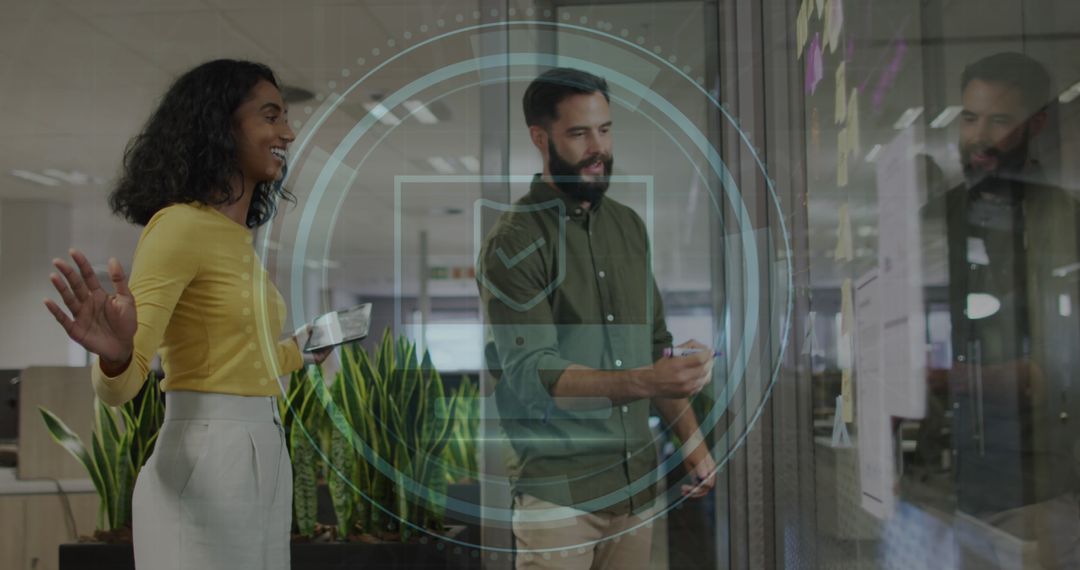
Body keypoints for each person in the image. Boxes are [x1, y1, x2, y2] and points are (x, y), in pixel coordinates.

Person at [43, 59, 328, 570]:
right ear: (221, 127)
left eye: (286, 117)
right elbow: (121, 386)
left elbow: (230, 361)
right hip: (209, 456)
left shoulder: (236, 238)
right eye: (270, 117)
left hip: (264, 446)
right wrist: (116, 355)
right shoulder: (177, 227)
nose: (287, 131)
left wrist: (297, 351)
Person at [477, 67, 716, 570]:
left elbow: (655, 348)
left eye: (605, 130)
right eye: (579, 133)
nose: (597, 147)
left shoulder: (628, 227)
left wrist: (693, 447)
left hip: (635, 487)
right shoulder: (514, 241)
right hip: (560, 496)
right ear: (540, 138)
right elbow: (533, 374)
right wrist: (646, 378)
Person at [931, 52, 1080, 567]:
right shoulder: (945, 218)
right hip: (956, 488)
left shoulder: (1062, 221)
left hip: (1040, 487)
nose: (980, 136)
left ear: (1036, 123)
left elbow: (1043, 374)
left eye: (1000, 120)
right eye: (970, 117)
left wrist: (939, 376)